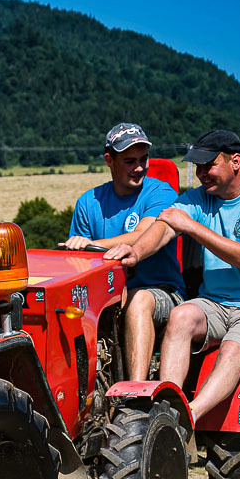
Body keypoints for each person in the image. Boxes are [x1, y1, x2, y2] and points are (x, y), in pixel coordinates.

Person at [106, 130, 240, 423]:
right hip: (217, 302)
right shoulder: (198, 199)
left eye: (209, 165)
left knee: (234, 347)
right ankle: (165, 410)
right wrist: (136, 253)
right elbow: (165, 226)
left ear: (236, 161)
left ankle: (189, 416)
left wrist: (192, 227)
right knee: (181, 316)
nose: (201, 173)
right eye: (198, 166)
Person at [63, 123, 185, 379]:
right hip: (105, 298)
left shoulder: (161, 192)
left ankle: (135, 392)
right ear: (109, 160)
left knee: (138, 300)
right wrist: (77, 249)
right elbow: (78, 263)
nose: (139, 167)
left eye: (143, 159)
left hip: (162, 292)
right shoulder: (88, 202)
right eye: (130, 161)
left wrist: (91, 245)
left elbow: (145, 233)